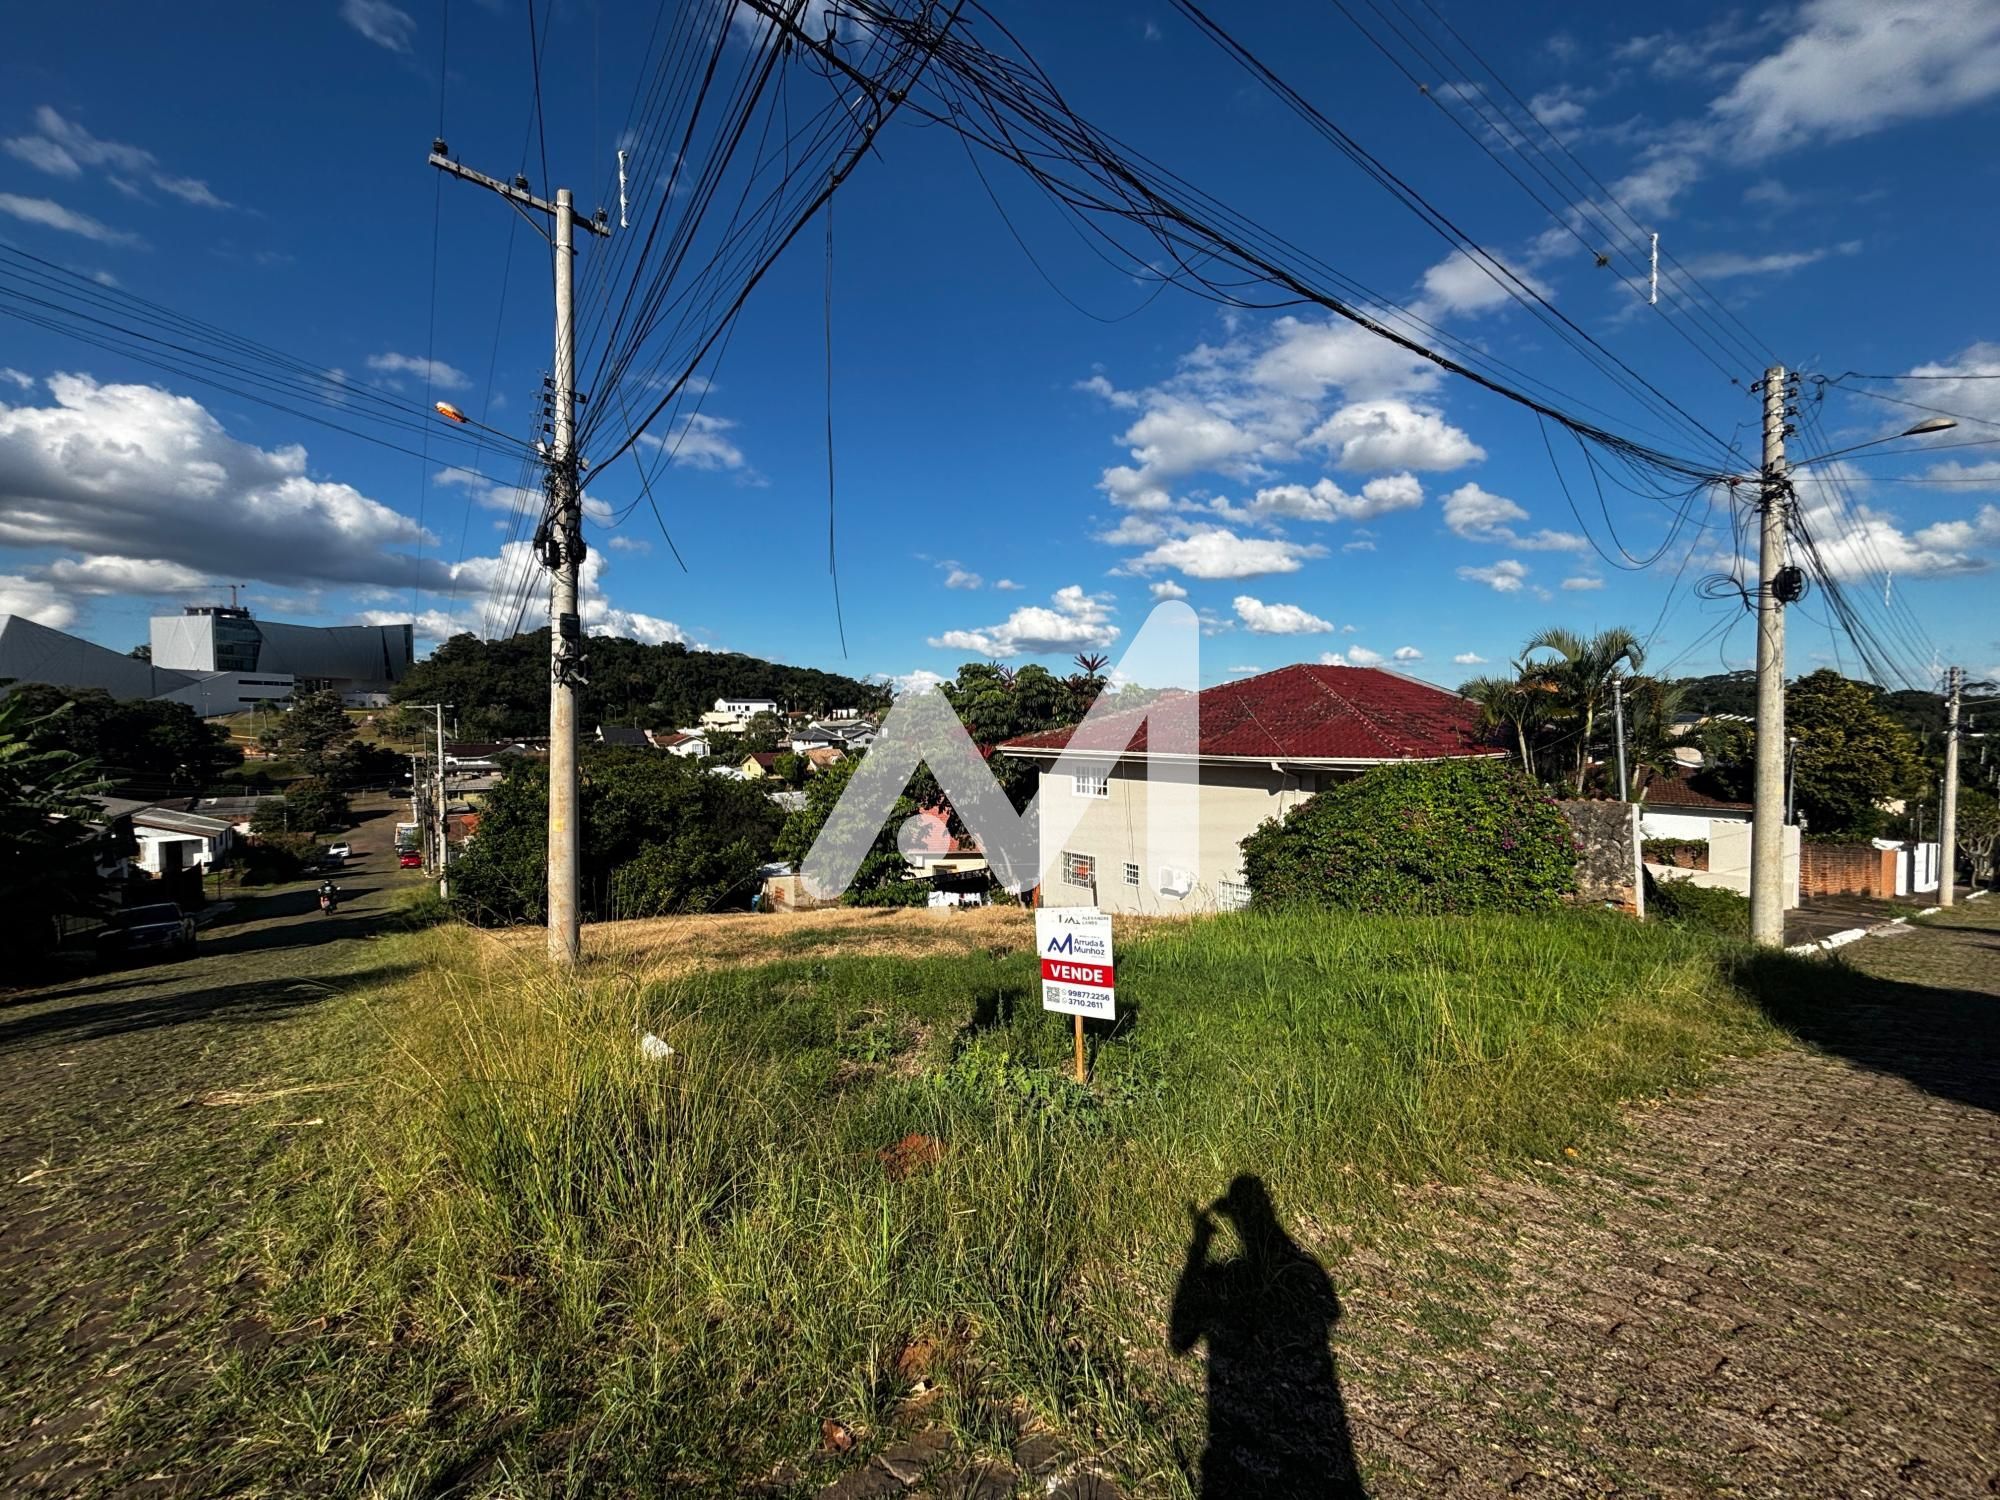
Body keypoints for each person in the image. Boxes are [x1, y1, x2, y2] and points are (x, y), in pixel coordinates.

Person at [1169, 1175, 1366, 1498]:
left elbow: (1180, 1340)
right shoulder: (1304, 1266)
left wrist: (1199, 1246)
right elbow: (1330, 1312)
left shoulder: (1266, 1271)